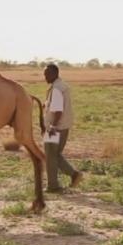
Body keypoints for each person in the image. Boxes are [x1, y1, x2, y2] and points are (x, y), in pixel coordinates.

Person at [43, 63, 82, 193]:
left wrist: (53, 126)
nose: (45, 77)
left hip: (55, 128)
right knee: (54, 155)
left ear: (55, 74)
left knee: (50, 155)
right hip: (63, 126)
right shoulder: (61, 86)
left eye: (47, 74)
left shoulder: (56, 89)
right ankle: (74, 176)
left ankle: (54, 185)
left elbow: (58, 110)